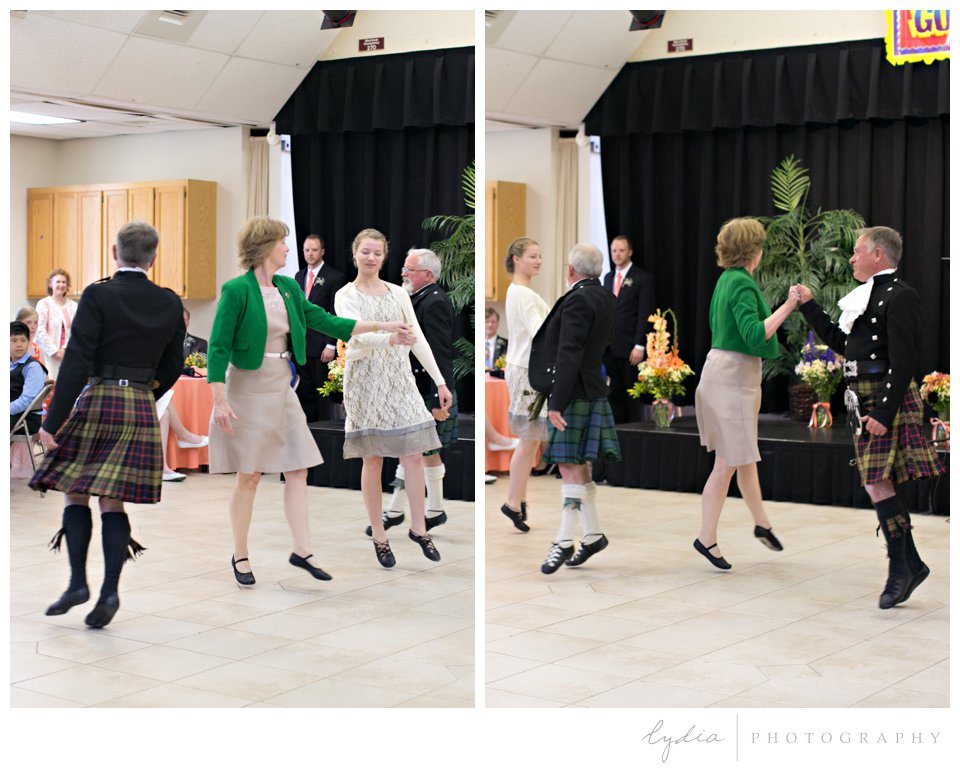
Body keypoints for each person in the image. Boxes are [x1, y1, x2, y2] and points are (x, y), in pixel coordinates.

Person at [207, 218, 411, 586]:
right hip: (246, 389)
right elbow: (218, 347)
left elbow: (326, 321)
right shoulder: (236, 290)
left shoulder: (287, 286)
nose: (289, 249)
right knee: (250, 476)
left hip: (281, 386)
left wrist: (382, 327)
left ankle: (303, 550)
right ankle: (240, 554)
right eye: (283, 243)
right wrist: (219, 400)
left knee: (298, 468)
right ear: (266, 246)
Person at [29, 221, 186, 629]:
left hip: (98, 398)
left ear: (115, 254)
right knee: (111, 499)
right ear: (153, 258)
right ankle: (110, 591)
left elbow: (78, 360)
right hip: (137, 403)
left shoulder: (98, 294)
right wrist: (145, 395)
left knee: (75, 490)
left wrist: (54, 418)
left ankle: (77, 582)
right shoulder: (169, 302)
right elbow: (173, 366)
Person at [793, 226, 943, 609]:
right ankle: (910, 564)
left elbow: (905, 358)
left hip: (883, 398)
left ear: (878, 254)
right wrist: (810, 305)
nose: (851, 258)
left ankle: (900, 569)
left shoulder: (901, 296)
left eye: (857, 252)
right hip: (862, 397)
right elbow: (843, 345)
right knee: (877, 482)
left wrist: (884, 410)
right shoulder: (863, 297)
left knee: (877, 483)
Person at [335, 229, 452, 568]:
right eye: (365, 252)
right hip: (366, 382)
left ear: (384, 257)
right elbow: (355, 339)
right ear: (355, 254)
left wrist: (440, 381)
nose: (371, 258)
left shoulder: (399, 292)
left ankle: (419, 528)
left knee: (414, 452)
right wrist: (388, 337)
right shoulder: (346, 294)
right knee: (373, 460)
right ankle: (380, 536)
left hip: (400, 381)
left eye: (377, 253)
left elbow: (416, 338)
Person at [694, 218, 796, 570]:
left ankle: (761, 523)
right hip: (733, 378)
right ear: (753, 250)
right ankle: (706, 538)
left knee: (744, 458)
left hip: (729, 373)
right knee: (726, 464)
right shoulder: (740, 283)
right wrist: (789, 305)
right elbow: (755, 335)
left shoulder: (728, 279)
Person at [528, 244, 620, 573]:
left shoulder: (578, 299)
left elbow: (569, 353)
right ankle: (593, 535)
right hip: (593, 387)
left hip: (574, 394)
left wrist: (557, 402)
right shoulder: (607, 296)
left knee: (568, 465)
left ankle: (563, 541)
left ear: (570, 270)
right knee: (579, 466)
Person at [373, 248, 457, 535]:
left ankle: (397, 510)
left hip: (425, 389)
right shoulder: (417, 298)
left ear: (428, 275)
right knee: (420, 449)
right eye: (404, 268)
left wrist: (437, 395)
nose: (403, 272)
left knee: (412, 449)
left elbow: (438, 352)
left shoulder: (434, 302)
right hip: (411, 386)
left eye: (409, 269)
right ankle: (434, 509)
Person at [500, 237, 550, 532]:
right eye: (533, 255)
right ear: (517, 259)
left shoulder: (523, 291)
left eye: (540, 256)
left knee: (530, 440)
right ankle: (512, 501)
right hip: (525, 370)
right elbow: (539, 331)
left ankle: (518, 499)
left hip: (525, 368)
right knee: (529, 438)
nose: (538, 260)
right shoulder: (521, 293)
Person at [602, 235, 655, 424]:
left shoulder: (642, 278)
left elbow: (644, 313)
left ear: (630, 252)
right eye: (614, 251)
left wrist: (639, 345)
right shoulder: (607, 278)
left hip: (631, 348)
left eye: (621, 250)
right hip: (610, 347)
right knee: (614, 392)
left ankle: (634, 430)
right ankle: (618, 432)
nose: (617, 254)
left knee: (632, 393)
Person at [294, 234, 347, 422]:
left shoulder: (335, 277)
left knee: (322, 394)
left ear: (322, 252)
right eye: (306, 250)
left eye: (314, 250)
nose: (310, 254)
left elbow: (334, 312)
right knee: (305, 391)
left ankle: (324, 432)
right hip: (303, 345)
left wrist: (331, 345)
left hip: (323, 346)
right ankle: (309, 430)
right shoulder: (298, 276)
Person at [34, 268, 79, 380]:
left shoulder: (73, 306)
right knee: (47, 387)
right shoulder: (43, 304)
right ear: (50, 284)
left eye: (64, 282)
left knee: (65, 387)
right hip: (47, 355)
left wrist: (64, 349)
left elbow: (76, 330)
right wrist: (54, 351)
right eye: (58, 282)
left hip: (67, 355)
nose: (61, 285)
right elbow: (39, 330)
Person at [10, 321, 47, 432]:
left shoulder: (33, 367)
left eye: (23, 340)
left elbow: (26, 400)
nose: (19, 345)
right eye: (14, 340)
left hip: (26, 419)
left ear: (28, 342)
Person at [484, 307, 508, 371]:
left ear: (498, 324)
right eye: (486, 321)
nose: (490, 324)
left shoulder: (507, 345)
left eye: (493, 322)